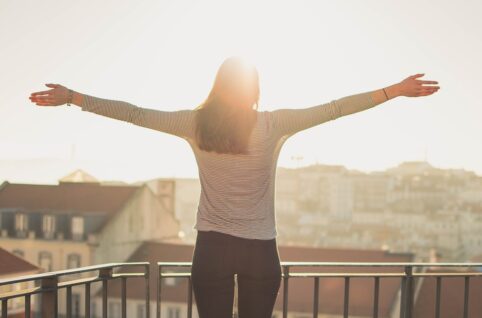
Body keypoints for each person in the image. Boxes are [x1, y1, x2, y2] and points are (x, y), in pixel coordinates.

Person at [29, 56, 440, 318]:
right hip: (261, 250)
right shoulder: (273, 124)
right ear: (254, 90)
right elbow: (334, 109)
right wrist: (394, 92)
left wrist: (73, 97)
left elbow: (134, 114)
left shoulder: (194, 123)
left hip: (212, 249)